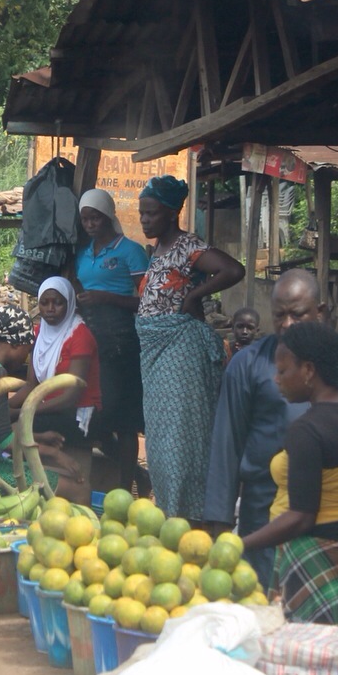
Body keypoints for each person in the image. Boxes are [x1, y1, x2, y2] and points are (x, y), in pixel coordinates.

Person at [205, 270, 338, 589]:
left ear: (321, 312)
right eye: (279, 315)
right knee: (268, 604)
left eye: (297, 315)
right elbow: (226, 443)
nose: (287, 325)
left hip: (336, 510)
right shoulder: (249, 364)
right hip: (265, 508)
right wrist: (220, 523)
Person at [242, 322, 338, 626]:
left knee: (310, 658)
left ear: (309, 370)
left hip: (314, 558)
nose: (277, 380)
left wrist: (243, 543)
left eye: (284, 371)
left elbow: (301, 516)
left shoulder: (307, 430)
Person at [134, 175, 244, 522]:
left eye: (151, 213)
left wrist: (195, 296)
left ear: (171, 214)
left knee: (182, 438)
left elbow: (232, 269)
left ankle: (191, 516)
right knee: (161, 439)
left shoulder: (187, 246)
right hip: (155, 353)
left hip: (180, 351)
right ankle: (170, 510)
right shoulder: (158, 252)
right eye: (142, 213)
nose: (145, 220)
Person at [0, 306, 78, 491]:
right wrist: (54, 454)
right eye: (26, 351)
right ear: (15, 344)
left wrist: (40, 437)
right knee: (75, 486)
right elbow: (6, 443)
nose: (25, 358)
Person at [73, 187, 149, 491]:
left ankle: (127, 483)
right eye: (86, 219)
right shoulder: (82, 254)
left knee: (125, 417)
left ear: (108, 217)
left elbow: (147, 301)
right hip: (90, 340)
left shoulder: (130, 251)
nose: (91, 224)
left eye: (96, 218)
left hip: (121, 340)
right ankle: (131, 477)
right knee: (95, 415)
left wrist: (106, 297)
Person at [9, 276, 101, 504]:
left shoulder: (80, 335)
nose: (50, 309)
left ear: (69, 303)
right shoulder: (39, 333)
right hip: (47, 408)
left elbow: (72, 393)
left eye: (57, 303)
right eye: (45, 302)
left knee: (13, 430)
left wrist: (27, 412)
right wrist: (6, 407)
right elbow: (32, 384)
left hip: (78, 412)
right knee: (2, 422)